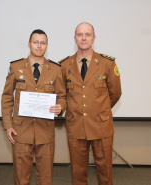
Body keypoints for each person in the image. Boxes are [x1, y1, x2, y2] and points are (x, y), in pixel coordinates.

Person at [1, 29, 66, 185]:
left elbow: (62, 96)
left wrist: (60, 107)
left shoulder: (56, 69)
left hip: (46, 131)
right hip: (21, 131)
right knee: (21, 177)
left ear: (47, 46)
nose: (39, 46)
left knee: (45, 177)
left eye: (42, 43)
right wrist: (7, 125)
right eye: (36, 42)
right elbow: (7, 97)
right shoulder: (16, 67)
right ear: (29, 44)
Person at [60, 22, 122, 185]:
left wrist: (99, 110)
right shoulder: (64, 65)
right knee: (78, 172)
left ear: (94, 38)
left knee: (105, 171)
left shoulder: (107, 63)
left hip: (101, 125)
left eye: (87, 34)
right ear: (75, 38)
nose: (83, 38)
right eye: (80, 34)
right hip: (76, 126)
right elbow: (62, 95)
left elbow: (115, 93)